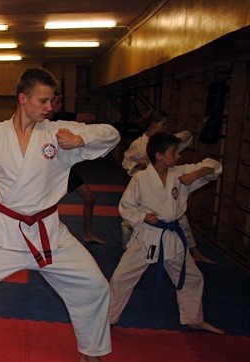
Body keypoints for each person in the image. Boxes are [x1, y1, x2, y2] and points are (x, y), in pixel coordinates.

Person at [0, 67, 125, 362]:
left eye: (51, 100)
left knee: (95, 286)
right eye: (43, 100)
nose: (50, 107)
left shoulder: (59, 132)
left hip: (48, 232)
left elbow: (111, 134)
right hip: (2, 232)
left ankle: (90, 355)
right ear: (23, 98)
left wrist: (79, 140)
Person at [109, 132, 223, 334]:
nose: (178, 156)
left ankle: (194, 319)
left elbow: (214, 166)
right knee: (120, 278)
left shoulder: (181, 174)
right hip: (147, 237)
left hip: (173, 238)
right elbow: (126, 207)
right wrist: (144, 217)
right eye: (174, 152)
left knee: (193, 278)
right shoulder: (141, 178)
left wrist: (195, 175)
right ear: (159, 156)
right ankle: (107, 318)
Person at [121, 110, 214, 263]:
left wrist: (174, 140)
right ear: (153, 123)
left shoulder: (167, 142)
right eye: (163, 124)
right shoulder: (138, 145)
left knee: (180, 221)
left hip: (167, 185)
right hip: (145, 187)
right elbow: (127, 162)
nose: (165, 127)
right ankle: (130, 251)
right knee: (132, 221)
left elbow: (188, 136)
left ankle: (192, 253)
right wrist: (138, 165)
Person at [50, 91, 105, 244]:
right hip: (47, 169)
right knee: (47, 204)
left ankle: (88, 234)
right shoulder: (40, 122)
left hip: (65, 169)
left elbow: (89, 117)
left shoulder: (61, 118)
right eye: (57, 102)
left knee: (89, 197)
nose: (59, 105)